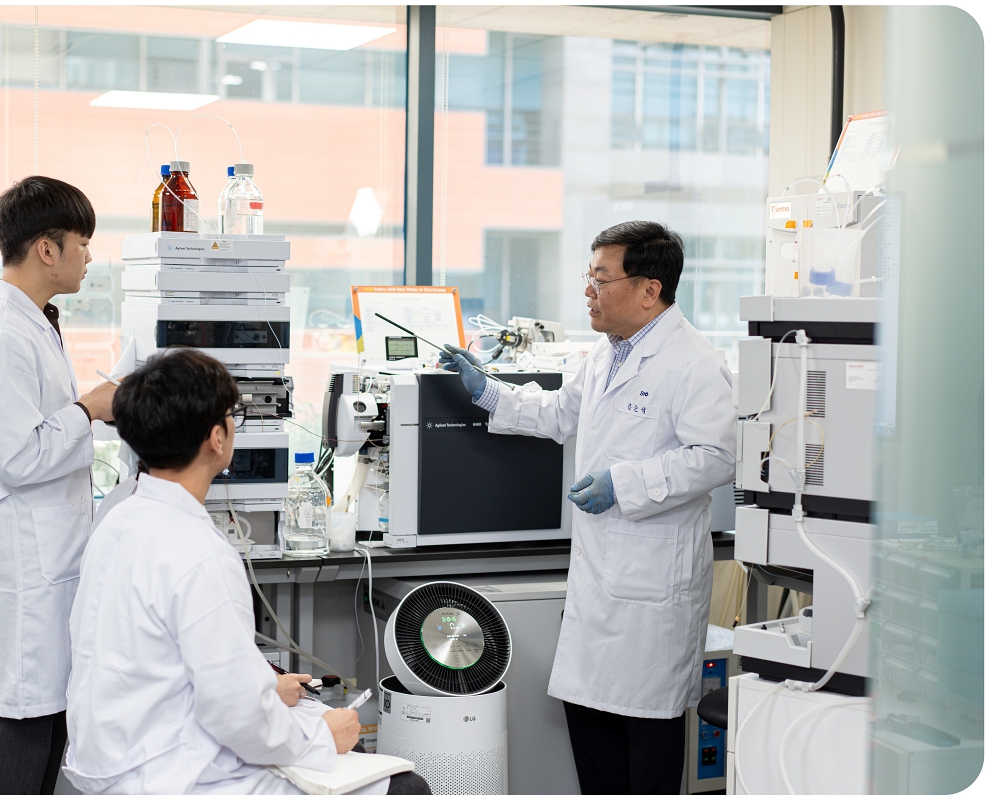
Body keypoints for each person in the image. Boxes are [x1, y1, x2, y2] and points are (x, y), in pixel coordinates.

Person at [439, 221, 736, 795]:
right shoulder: (608, 352)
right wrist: (486, 389)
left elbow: (716, 457)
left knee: (644, 754)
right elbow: (560, 413)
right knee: (593, 742)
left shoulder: (693, 362)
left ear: (649, 290)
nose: (588, 291)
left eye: (601, 278)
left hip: (652, 593)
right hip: (599, 585)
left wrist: (623, 484)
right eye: (589, 276)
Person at [63, 349, 430, 795]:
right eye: (231, 416)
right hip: (171, 777)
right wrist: (320, 738)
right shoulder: (201, 554)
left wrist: (263, 687)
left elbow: (161, 659)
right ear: (217, 438)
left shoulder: (118, 517)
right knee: (404, 785)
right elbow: (237, 719)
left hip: (112, 758)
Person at [0, 176, 118, 794]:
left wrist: (86, 412)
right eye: (82, 243)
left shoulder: (35, 324)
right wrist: (90, 408)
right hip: (21, 580)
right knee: (15, 754)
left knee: (43, 747)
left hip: (46, 571)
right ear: (48, 249)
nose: (89, 257)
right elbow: (18, 455)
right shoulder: (1, 336)